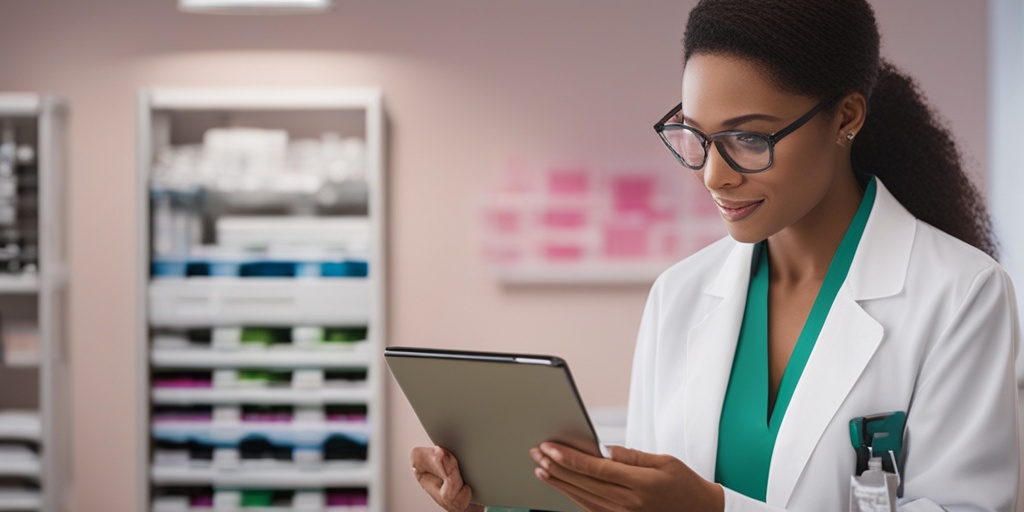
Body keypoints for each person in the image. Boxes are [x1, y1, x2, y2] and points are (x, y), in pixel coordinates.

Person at [410, 0, 1022, 510]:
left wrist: (716, 510)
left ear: (846, 117)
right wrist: (495, 500)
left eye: (749, 139)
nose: (713, 176)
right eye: (697, 138)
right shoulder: (679, 293)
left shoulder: (961, 294)